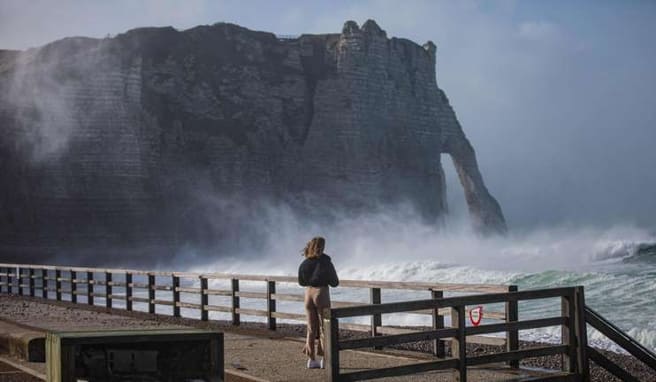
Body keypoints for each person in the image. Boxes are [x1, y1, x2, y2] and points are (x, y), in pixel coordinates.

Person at [297, 236, 339, 369]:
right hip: (321, 293)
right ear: (322, 247)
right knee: (324, 328)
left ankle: (311, 359)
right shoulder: (326, 262)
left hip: (308, 294)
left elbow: (301, 282)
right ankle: (324, 359)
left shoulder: (305, 263)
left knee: (311, 328)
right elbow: (335, 282)